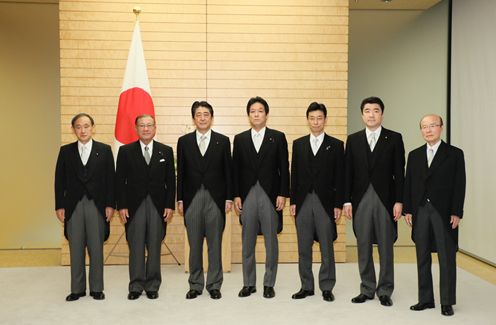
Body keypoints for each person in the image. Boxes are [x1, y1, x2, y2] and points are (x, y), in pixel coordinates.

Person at [343, 96, 405, 306]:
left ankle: (385, 290)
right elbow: (348, 173)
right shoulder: (353, 139)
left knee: (386, 246)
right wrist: (346, 201)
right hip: (360, 199)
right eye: (367, 111)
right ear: (362, 115)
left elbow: (399, 172)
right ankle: (367, 288)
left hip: (386, 200)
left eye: (375, 110)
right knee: (363, 245)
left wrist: (399, 201)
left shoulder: (394, 138)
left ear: (382, 114)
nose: (371, 114)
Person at [404, 114, 465, 316]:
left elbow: (460, 185)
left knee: (446, 257)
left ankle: (447, 302)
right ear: (421, 130)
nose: (428, 130)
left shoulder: (454, 154)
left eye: (432, 125)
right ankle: (425, 299)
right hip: (420, 210)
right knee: (422, 256)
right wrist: (408, 210)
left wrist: (457, 211)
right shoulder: (414, 155)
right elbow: (409, 184)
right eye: (424, 127)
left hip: (444, 212)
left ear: (441, 127)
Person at [233, 96, 290, 299]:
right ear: (248, 115)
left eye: (260, 111)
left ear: (266, 114)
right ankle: (249, 283)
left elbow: (284, 168)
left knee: (270, 241)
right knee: (247, 241)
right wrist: (236, 195)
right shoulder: (239, 139)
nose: (256, 114)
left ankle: (269, 283)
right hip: (247, 195)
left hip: (271, 195)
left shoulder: (278, 137)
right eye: (252, 111)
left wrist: (283, 193)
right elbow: (235, 170)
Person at [54, 113, 115, 301]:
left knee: (96, 248)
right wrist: (60, 206)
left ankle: (97, 288)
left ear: (93, 128)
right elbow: (59, 181)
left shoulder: (104, 150)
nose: (83, 130)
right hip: (73, 206)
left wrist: (110, 204)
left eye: (86, 126)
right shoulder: (65, 151)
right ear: (73, 129)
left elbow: (110, 181)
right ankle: (77, 289)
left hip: (97, 205)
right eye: (78, 127)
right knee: (76, 247)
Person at [115, 114, 176, 300]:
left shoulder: (165, 151)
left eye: (149, 125)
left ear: (155, 128)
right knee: (136, 246)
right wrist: (122, 205)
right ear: (136, 128)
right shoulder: (125, 151)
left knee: (155, 246)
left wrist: (169, 205)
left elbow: (170, 182)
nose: (146, 128)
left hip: (158, 206)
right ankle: (135, 285)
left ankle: (152, 285)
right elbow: (120, 181)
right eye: (142, 125)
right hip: (134, 206)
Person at [177, 101, 232, 300]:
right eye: (198, 114)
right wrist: (180, 199)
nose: (202, 118)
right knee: (194, 244)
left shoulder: (223, 141)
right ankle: (195, 284)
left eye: (206, 114)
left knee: (215, 244)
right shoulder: (184, 142)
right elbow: (181, 173)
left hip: (216, 199)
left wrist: (228, 197)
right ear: (193, 118)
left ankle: (214, 284)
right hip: (191, 199)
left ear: (211, 117)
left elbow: (228, 172)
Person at [290, 102, 344, 302]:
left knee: (326, 247)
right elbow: (293, 175)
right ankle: (306, 286)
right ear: (307, 120)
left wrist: (338, 204)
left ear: (325, 120)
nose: (316, 122)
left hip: (326, 202)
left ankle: (327, 286)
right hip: (303, 202)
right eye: (312, 118)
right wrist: (293, 201)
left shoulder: (337, 145)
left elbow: (340, 177)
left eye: (319, 118)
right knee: (303, 247)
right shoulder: (299, 144)